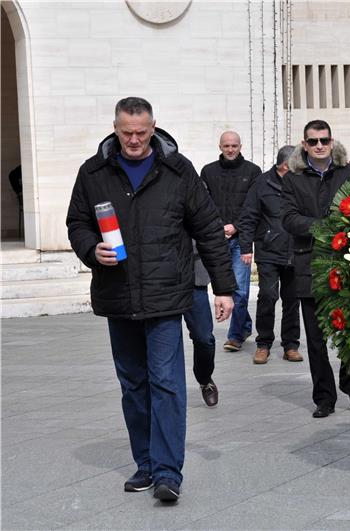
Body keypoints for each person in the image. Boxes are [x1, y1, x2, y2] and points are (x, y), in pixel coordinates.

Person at [66, 97, 235, 502]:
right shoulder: (93, 172)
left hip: (165, 296)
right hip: (117, 294)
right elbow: (77, 222)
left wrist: (224, 287)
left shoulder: (178, 171)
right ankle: (144, 463)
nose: (135, 140)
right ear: (115, 127)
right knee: (133, 385)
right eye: (127, 132)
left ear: (154, 127)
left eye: (142, 132)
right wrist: (92, 249)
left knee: (167, 384)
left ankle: (167, 472)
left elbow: (209, 229)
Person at [282, 120, 350, 417]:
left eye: (324, 140)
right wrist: (322, 227)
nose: (319, 145)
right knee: (316, 339)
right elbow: (289, 218)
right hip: (309, 265)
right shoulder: (292, 178)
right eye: (313, 141)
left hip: (347, 264)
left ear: (332, 142)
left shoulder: (349, 173)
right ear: (304, 145)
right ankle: (324, 397)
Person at [238, 145, 303, 365]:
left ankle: (291, 345)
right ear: (283, 165)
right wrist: (246, 247)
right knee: (267, 296)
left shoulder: (301, 181)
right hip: (268, 250)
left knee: (292, 300)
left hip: (296, 250)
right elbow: (248, 216)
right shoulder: (262, 183)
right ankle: (263, 343)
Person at [200, 131, 262, 352]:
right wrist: (218, 226)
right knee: (221, 288)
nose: (230, 149)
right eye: (226, 146)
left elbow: (252, 206)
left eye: (234, 145)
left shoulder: (253, 172)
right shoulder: (208, 171)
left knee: (241, 291)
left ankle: (235, 335)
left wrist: (235, 225)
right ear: (220, 146)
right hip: (216, 239)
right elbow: (203, 203)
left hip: (240, 240)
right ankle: (244, 326)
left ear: (240, 146)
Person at [183, 245, 219, 407]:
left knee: (204, 337)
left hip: (193, 274)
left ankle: (205, 379)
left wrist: (223, 289)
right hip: (158, 276)